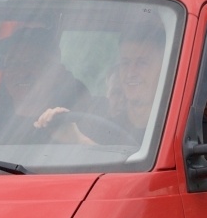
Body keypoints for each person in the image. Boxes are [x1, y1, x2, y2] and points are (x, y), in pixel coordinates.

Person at [38, 22, 167, 146]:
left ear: (163, 68)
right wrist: (65, 128)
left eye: (142, 63)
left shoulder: (171, 128)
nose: (130, 73)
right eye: (125, 63)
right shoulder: (99, 127)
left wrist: (80, 140)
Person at [0, 24, 90, 144]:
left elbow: (103, 153)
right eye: (13, 63)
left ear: (57, 74)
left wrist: (76, 139)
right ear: (5, 74)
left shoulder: (79, 127)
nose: (21, 72)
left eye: (33, 62)